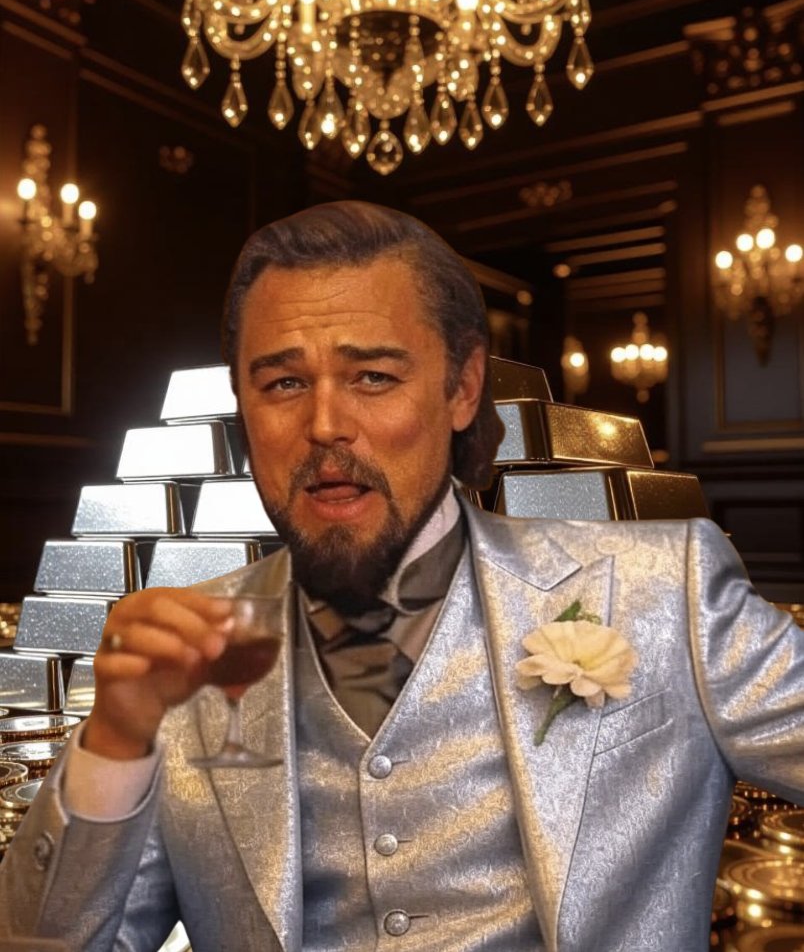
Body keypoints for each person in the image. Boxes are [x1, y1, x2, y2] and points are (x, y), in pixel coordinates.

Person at [0, 201, 802, 952]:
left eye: (373, 377)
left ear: (462, 388)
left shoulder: (665, 589)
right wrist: (113, 744)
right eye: (283, 383)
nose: (324, 425)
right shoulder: (183, 656)